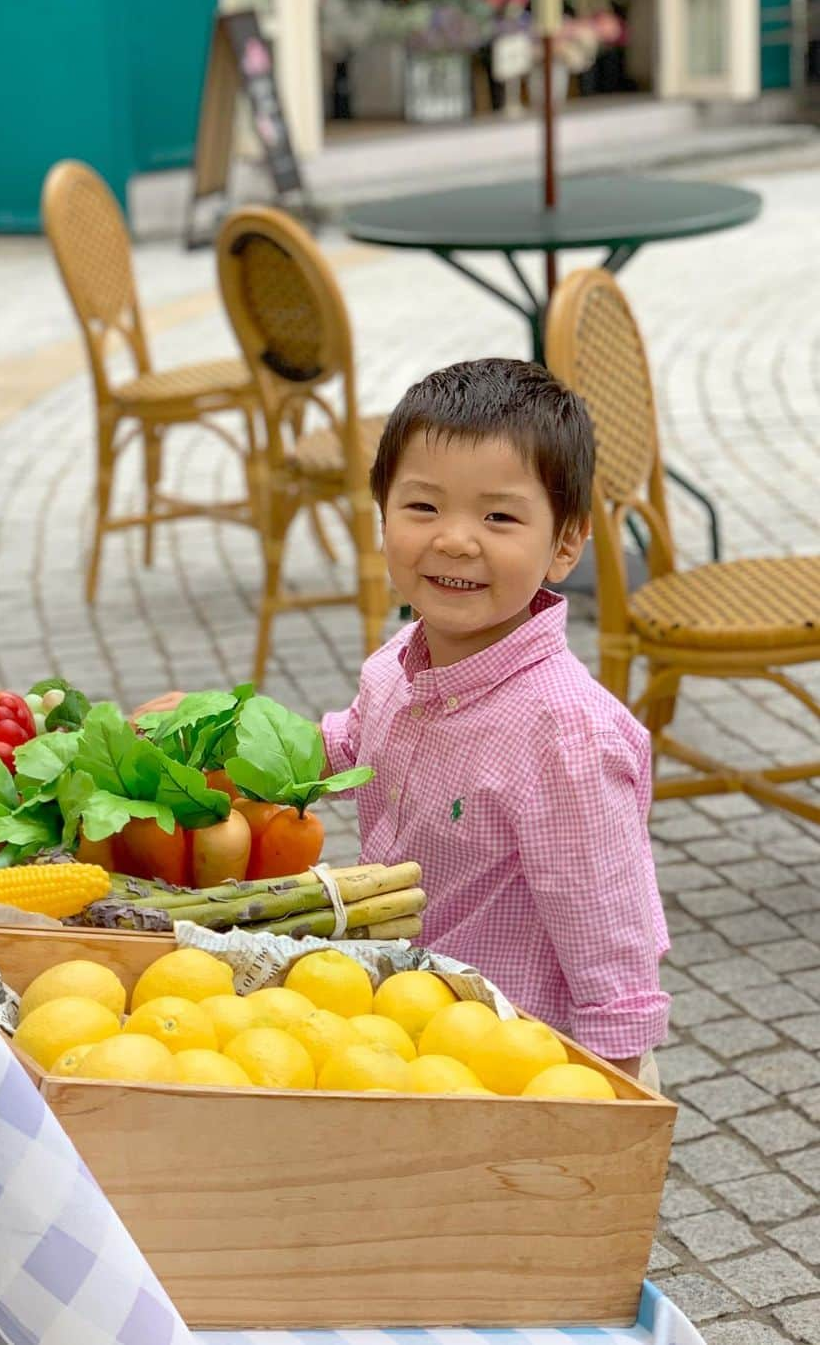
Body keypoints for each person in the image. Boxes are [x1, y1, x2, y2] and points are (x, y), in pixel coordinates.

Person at [135, 359, 669, 1084]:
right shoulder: (397, 664)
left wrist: (607, 1108)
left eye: (499, 516)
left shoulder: (566, 735)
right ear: (381, 515)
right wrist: (222, 738)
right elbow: (347, 748)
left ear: (567, 543)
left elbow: (612, 944)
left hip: (517, 1062)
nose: (454, 540)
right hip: (407, 1031)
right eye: (423, 508)